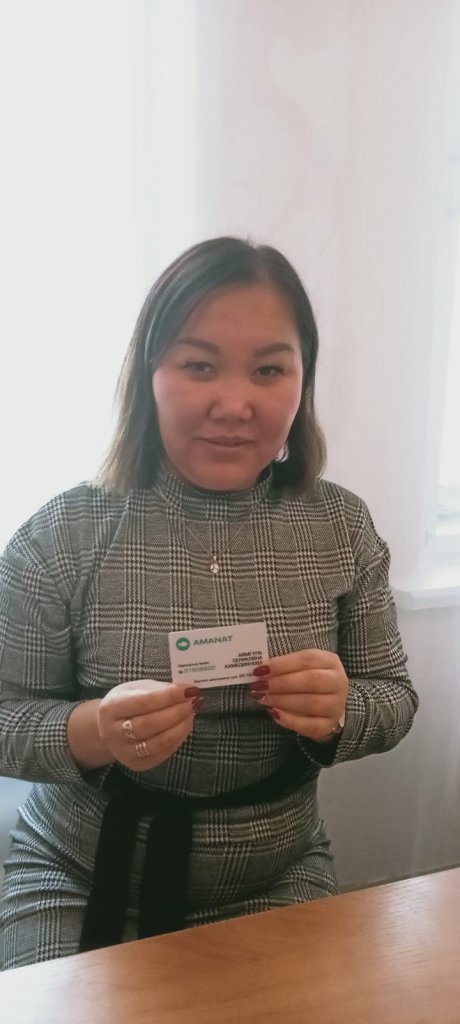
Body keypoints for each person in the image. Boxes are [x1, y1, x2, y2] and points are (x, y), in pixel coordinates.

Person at [0, 236, 418, 970]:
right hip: (76, 875)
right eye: (199, 365)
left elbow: (395, 698)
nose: (234, 404)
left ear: (303, 381)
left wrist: (342, 709)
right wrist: (96, 730)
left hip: (275, 878)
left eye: (269, 369)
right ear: (149, 376)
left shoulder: (341, 526)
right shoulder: (64, 532)